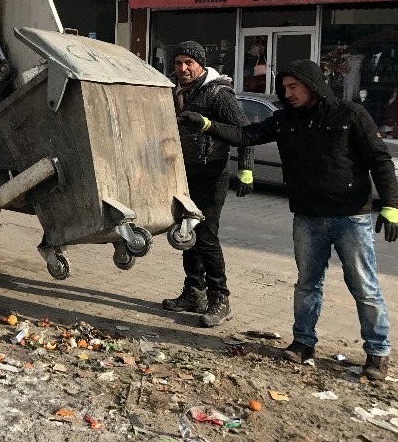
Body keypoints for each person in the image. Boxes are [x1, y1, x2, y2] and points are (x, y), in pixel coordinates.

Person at [179, 59, 398, 381]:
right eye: (284, 89)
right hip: (308, 217)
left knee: (364, 287)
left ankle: (377, 353)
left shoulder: (350, 115)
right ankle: (303, 342)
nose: (288, 94)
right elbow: (245, 135)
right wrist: (208, 126)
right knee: (308, 285)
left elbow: (380, 159)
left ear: (312, 85)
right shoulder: (285, 120)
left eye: (293, 87)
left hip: (350, 217)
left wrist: (391, 205)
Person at [163, 41, 254, 327]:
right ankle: (194, 293)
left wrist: (246, 168)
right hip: (183, 175)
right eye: (178, 62)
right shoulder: (175, 91)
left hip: (211, 176)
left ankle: (220, 299)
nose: (183, 68)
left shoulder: (218, 93)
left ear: (200, 63)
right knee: (187, 234)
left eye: (189, 62)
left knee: (206, 237)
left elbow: (243, 132)